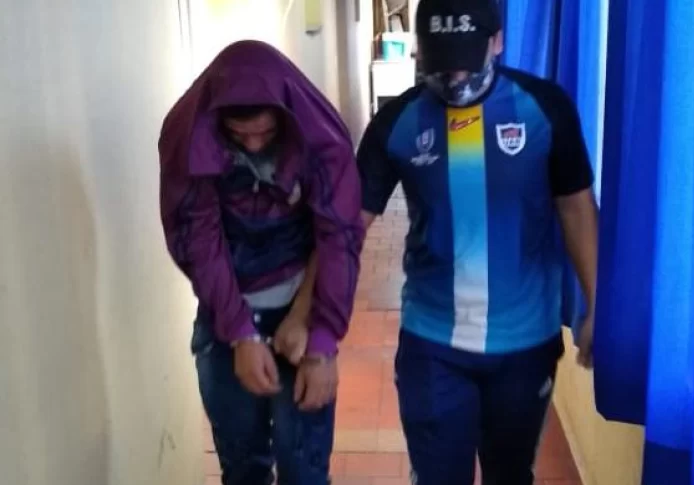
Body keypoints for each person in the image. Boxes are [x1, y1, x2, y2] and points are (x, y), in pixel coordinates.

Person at [355, 0, 599, 484]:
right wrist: (318, 324)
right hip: (433, 340)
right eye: (443, 63)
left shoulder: (545, 109)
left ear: (498, 41)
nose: (456, 76)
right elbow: (349, 226)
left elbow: (576, 208)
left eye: (468, 59)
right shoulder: (396, 124)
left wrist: (598, 303)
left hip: (525, 343)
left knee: (510, 475)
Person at [158, 40, 364, 485]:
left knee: (305, 472)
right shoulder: (187, 135)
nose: (252, 144)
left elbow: (339, 235)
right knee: (242, 470)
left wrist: (321, 338)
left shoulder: (321, 137)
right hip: (225, 313)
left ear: (286, 119)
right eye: (239, 134)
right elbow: (199, 241)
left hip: (302, 311)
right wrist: (239, 332)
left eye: (266, 133)